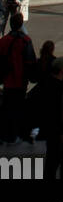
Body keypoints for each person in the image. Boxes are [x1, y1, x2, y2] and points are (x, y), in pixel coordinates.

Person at [0, 13, 36, 142]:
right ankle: (20, 133)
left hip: (7, 81)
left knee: (7, 107)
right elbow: (31, 62)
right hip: (20, 81)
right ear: (21, 24)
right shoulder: (25, 40)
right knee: (20, 107)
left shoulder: (3, 41)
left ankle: (7, 134)